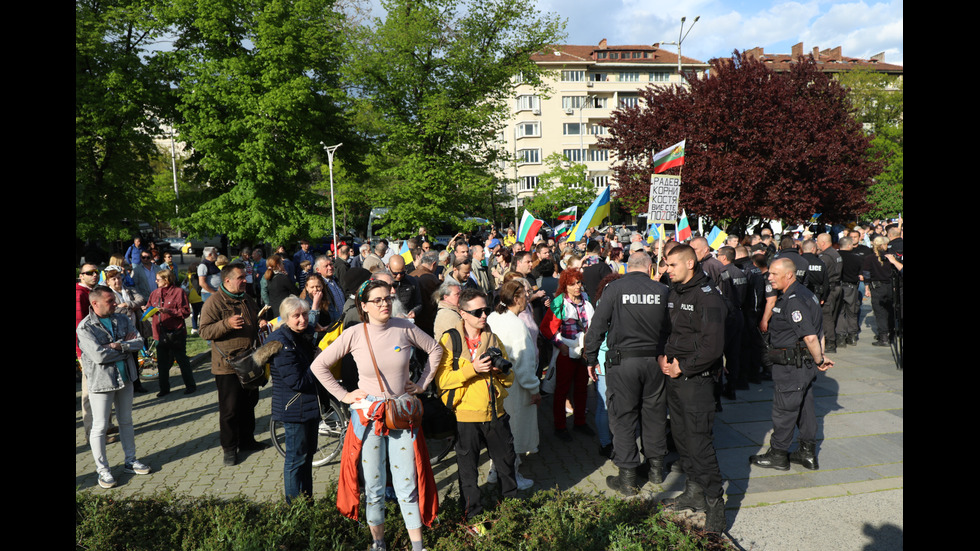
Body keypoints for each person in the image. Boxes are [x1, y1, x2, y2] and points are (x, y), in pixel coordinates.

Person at [310, 279, 443, 551]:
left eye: (387, 298)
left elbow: (436, 349)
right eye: (378, 300)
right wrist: (345, 396)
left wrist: (422, 384)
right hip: (369, 418)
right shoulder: (354, 333)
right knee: (373, 486)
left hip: (402, 415)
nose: (385, 304)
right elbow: (319, 365)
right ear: (364, 306)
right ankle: (378, 543)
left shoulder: (405, 327)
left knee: (407, 483)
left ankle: (418, 547)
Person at [584, 252, 670, 495]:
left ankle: (628, 478)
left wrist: (591, 358)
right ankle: (655, 469)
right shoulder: (662, 290)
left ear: (626, 267)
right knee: (654, 416)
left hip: (623, 364)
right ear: (650, 267)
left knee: (623, 417)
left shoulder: (614, 289)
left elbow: (596, 327)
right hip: (655, 362)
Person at [659, 244, 727, 533]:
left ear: (690, 263)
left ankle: (714, 503)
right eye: (666, 265)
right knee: (682, 438)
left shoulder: (708, 297)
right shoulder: (676, 291)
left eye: (672, 265)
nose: (667, 270)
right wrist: (663, 355)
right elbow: (669, 331)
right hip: (674, 378)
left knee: (699, 443)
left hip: (696, 380)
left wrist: (683, 367)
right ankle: (694, 491)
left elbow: (713, 347)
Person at [436, 287, 519, 524]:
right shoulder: (450, 340)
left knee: (506, 467)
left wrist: (498, 372)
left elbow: (510, 379)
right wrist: (473, 369)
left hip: (496, 413)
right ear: (462, 313)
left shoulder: (492, 338)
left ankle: (511, 514)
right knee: (468, 473)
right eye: (477, 312)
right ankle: (473, 519)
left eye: (486, 309)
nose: (484, 315)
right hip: (465, 417)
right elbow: (443, 381)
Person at [750, 258, 833, 473]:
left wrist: (819, 359)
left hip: (792, 366)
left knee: (784, 410)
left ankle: (778, 454)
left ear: (789, 275)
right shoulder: (807, 294)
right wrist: (818, 358)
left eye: (774, 274)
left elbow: (811, 336)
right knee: (805, 409)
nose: (769, 278)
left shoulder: (794, 300)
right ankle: (807, 453)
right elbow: (819, 330)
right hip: (802, 365)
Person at [77, 286, 153, 488]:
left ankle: (130, 460)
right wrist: (125, 348)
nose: (115, 304)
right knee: (100, 426)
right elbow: (98, 356)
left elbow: (139, 341)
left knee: (126, 421)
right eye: (110, 301)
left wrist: (119, 346)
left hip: (126, 377)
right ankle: (102, 470)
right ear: (95, 303)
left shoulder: (122, 318)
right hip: (102, 382)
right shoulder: (85, 328)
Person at [199, 263, 270, 466]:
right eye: (240, 277)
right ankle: (229, 449)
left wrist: (260, 323)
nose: (245, 280)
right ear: (227, 280)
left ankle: (247, 441)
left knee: (249, 404)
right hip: (227, 365)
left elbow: (254, 320)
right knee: (230, 410)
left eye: (245, 277)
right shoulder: (214, 302)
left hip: (250, 361)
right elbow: (204, 331)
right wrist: (226, 325)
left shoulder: (247, 299)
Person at [486, 280, 540, 490]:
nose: (528, 297)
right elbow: (525, 364)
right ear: (516, 299)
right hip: (516, 388)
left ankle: (494, 471)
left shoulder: (493, 317)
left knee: (500, 433)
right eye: (526, 294)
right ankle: (512, 477)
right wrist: (534, 389)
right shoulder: (517, 326)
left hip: (496, 385)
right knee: (514, 434)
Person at [267, 296, 321, 503]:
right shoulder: (281, 343)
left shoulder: (304, 335)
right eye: (296, 316)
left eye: (305, 314)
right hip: (293, 409)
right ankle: (293, 507)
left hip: (309, 407)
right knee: (295, 460)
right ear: (285, 318)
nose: (302, 319)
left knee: (307, 458)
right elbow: (297, 381)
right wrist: (318, 362)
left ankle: (307, 501)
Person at [540, 267, 594, 441]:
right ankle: (560, 426)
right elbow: (546, 328)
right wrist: (559, 344)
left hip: (584, 352)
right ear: (565, 286)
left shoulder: (586, 300)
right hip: (566, 352)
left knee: (581, 389)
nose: (577, 286)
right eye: (572, 284)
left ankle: (580, 422)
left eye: (578, 282)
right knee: (562, 390)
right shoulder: (559, 302)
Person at [147, 268, 197, 397]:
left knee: (182, 360)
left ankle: (190, 386)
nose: (156, 281)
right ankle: (164, 388)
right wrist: (147, 310)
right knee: (162, 363)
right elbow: (149, 307)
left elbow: (185, 312)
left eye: (158, 279)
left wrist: (169, 311)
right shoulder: (154, 293)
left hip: (176, 332)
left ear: (166, 280)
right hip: (159, 333)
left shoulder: (178, 292)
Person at [104, 265, 149, 394]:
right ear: (108, 282)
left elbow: (141, 300)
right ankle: (124, 386)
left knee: (134, 358)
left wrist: (127, 304)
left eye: (118, 278)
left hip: (134, 329)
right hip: (118, 331)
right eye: (113, 279)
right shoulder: (108, 294)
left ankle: (137, 384)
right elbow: (112, 309)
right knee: (122, 359)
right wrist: (125, 308)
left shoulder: (128, 290)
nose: (117, 281)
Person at [863, 236, 895, 347]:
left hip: (877, 287)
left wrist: (867, 287)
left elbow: (866, 274)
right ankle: (890, 334)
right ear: (882, 245)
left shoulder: (869, 258)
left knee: (880, 312)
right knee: (889, 310)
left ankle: (884, 337)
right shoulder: (890, 257)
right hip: (889, 286)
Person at [816, 233, 844, 352]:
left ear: (823, 242)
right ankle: (836, 338)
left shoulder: (824, 256)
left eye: (817, 241)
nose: (816, 244)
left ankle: (830, 342)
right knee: (834, 315)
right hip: (838, 286)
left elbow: (824, 275)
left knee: (827, 316)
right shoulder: (835, 253)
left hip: (830, 289)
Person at [836, 236, 863, 346]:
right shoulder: (856, 258)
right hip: (851, 287)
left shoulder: (835, 257)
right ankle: (852, 336)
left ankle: (841, 337)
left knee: (840, 312)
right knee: (852, 312)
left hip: (838, 286)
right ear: (848, 245)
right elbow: (860, 274)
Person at [264, 254, 298, 319]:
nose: (284, 265)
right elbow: (296, 291)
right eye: (283, 263)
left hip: (272, 311)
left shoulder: (269, 278)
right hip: (282, 312)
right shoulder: (282, 278)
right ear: (278, 266)